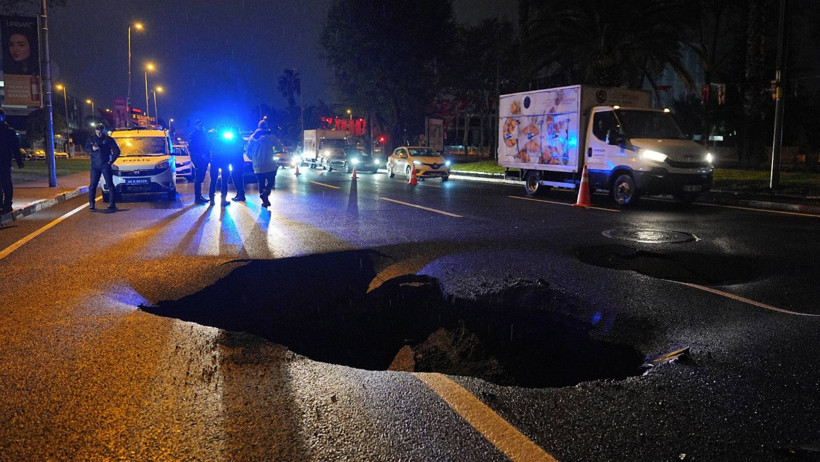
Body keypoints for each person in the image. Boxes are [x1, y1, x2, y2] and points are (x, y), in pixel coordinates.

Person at [84, 124, 120, 211]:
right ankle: (91, 204)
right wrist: (92, 148)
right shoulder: (91, 139)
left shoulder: (108, 139)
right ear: (95, 131)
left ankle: (112, 204)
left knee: (110, 184)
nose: (99, 134)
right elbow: (86, 148)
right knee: (93, 185)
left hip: (105, 164)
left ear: (103, 131)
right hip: (95, 165)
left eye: (100, 132)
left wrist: (111, 161)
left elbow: (117, 151)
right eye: (97, 132)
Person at [246, 118, 279, 208]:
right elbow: (279, 147)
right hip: (270, 164)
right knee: (271, 182)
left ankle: (265, 200)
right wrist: (273, 150)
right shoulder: (271, 137)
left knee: (261, 182)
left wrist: (253, 158)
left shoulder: (252, 138)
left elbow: (248, 151)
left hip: (257, 164)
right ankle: (266, 193)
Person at [0, 108, 24, 215]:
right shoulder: (9, 130)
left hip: (4, 160)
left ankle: (7, 205)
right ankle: (5, 204)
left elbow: (15, 147)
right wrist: (19, 161)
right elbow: (15, 147)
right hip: (5, 160)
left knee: (6, 183)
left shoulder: (8, 130)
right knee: (6, 183)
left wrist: (19, 161)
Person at [208, 127, 235, 206]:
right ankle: (223, 200)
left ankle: (212, 200)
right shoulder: (226, 140)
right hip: (224, 161)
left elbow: (209, 149)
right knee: (224, 181)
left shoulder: (213, 139)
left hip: (215, 161)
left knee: (213, 181)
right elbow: (230, 150)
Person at [187, 119, 210, 204]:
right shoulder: (193, 135)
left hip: (204, 159)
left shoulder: (203, 134)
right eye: (199, 125)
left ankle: (199, 196)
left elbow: (207, 145)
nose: (201, 127)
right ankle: (197, 198)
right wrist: (200, 156)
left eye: (202, 125)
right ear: (196, 126)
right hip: (198, 159)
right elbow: (193, 148)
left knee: (201, 178)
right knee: (198, 179)